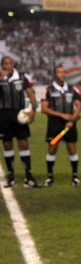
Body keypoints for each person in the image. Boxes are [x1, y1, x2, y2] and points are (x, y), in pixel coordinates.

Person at [0, 56, 40, 188]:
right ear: (2, 65)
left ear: (13, 64)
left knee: (23, 143)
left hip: (19, 114)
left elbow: (31, 94)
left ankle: (29, 176)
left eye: (10, 63)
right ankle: (11, 176)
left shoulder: (22, 77)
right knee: (7, 144)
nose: (8, 66)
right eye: (5, 64)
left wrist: (33, 110)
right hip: (3, 115)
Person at [41, 65, 81, 187]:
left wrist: (72, 118)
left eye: (63, 72)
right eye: (59, 72)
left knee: (72, 149)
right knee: (52, 149)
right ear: (55, 74)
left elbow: (79, 105)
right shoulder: (49, 89)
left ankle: (75, 177)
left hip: (70, 125)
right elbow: (44, 109)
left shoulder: (71, 89)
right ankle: (50, 178)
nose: (62, 74)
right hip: (54, 124)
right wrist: (62, 115)